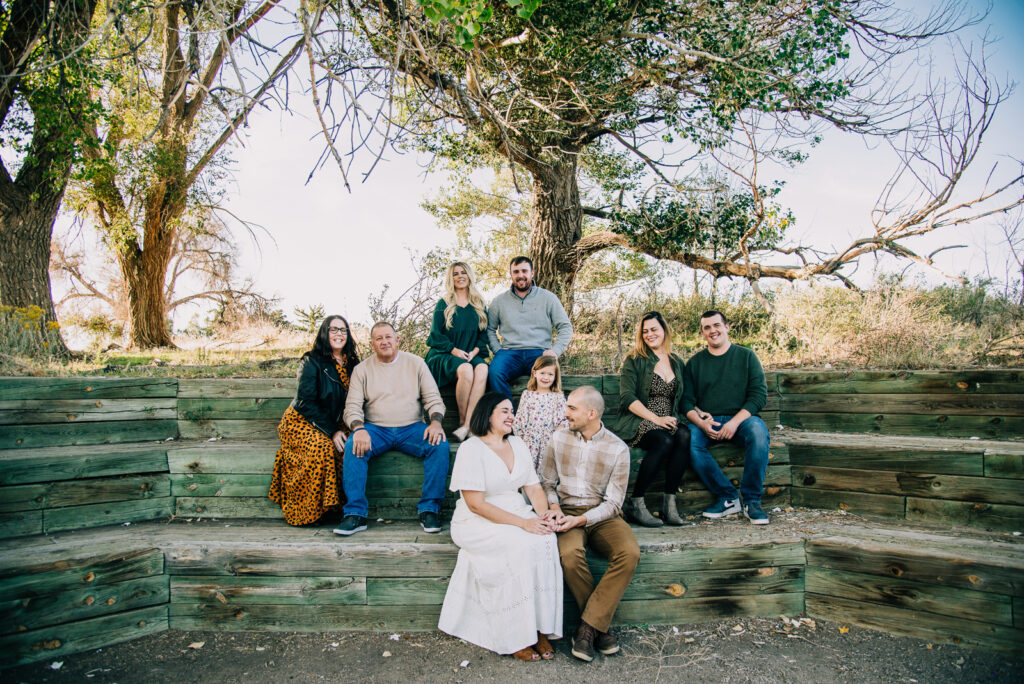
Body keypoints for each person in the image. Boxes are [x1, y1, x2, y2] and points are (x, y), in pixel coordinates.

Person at [438, 393, 563, 662]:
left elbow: (532, 487)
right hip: (477, 520)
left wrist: (543, 517)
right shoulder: (471, 449)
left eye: (512, 411)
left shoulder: (517, 444)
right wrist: (525, 524)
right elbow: (475, 504)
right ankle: (516, 634)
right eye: (504, 411)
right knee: (520, 546)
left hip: (518, 509)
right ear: (487, 413)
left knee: (546, 541)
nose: (511, 416)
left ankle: (540, 628)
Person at [541, 385, 640, 663]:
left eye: (572, 408)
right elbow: (546, 482)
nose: (566, 413)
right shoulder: (557, 439)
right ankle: (601, 629)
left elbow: (614, 503)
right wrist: (556, 507)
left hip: (602, 515)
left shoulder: (618, 449)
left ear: (592, 413)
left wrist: (584, 519)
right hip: (566, 510)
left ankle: (587, 628)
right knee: (570, 555)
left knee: (629, 553)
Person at [335, 322, 448, 536]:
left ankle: (429, 509)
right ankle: (355, 514)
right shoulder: (362, 370)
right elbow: (352, 407)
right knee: (353, 445)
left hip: (411, 428)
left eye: (388, 337)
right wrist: (358, 428)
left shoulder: (416, 364)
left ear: (397, 340)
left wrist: (435, 422)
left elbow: (433, 399)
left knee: (439, 444)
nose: (384, 341)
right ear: (372, 344)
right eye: (379, 338)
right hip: (375, 429)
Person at [683, 310, 771, 525]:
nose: (712, 331)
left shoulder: (746, 356)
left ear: (727, 327)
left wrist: (734, 422)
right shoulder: (695, 363)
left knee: (759, 433)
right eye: (707, 327)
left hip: (741, 421)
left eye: (716, 325)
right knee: (689, 441)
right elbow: (685, 401)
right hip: (709, 422)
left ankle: (751, 501)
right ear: (702, 333)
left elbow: (759, 396)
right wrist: (701, 423)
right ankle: (728, 497)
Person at [269, 315, 359, 526]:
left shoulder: (353, 363)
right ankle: (308, 513)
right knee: (323, 448)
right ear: (324, 334)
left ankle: (334, 509)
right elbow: (305, 402)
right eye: (333, 329)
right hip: (302, 421)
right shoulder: (312, 360)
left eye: (343, 330)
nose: (339, 334)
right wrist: (332, 431)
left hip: (332, 422)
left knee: (349, 448)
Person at [615, 311, 700, 528]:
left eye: (654, 329)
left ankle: (669, 505)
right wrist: (656, 419)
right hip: (640, 419)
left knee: (684, 434)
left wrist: (698, 411)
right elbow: (627, 398)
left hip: (669, 419)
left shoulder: (676, 361)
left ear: (664, 331)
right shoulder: (634, 360)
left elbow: (683, 397)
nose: (649, 334)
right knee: (664, 441)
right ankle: (636, 502)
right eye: (645, 331)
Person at [486, 256, 573, 399]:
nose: (520, 275)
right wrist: (497, 350)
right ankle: (507, 415)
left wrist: (555, 351)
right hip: (509, 353)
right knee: (494, 372)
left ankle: (546, 418)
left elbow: (565, 327)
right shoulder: (499, 301)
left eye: (524, 271)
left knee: (548, 375)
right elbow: (489, 329)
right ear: (511, 275)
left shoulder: (548, 298)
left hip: (539, 352)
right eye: (516, 272)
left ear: (532, 273)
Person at [425, 262, 490, 442]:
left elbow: (484, 335)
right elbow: (435, 335)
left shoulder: (479, 303)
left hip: (471, 353)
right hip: (445, 353)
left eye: (463, 273)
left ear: (469, 276)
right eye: (455, 274)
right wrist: (454, 351)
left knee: (483, 369)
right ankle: (462, 422)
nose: (460, 276)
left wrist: (475, 352)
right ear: (450, 278)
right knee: (466, 370)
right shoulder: (444, 303)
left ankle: (469, 425)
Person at [512, 356, 568, 472]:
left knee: (546, 471)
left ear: (555, 376)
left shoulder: (558, 397)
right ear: (534, 373)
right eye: (542, 373)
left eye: (550, 374)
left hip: (548, 442)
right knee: (527, 472)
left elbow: (563, 421)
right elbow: (519, 420)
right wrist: (521, 440)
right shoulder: (527, 395)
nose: (546, 377)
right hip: (529, 441)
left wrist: (557, 435)